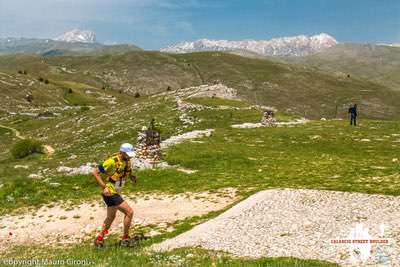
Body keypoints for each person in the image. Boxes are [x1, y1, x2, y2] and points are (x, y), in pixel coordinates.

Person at [92, 143, 137, 248]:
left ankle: (99, 239)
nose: (130, 156)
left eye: (130, 154)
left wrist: (132, 177)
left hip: (115, 191)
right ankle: (125, 239)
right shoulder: (111, 161)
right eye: (128, 154)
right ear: (121, 152)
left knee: (111, 217)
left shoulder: (127, 161)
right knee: (129, 212)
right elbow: (95, 172)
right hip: (110, 192)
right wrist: (104, 187)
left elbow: (127, 171)